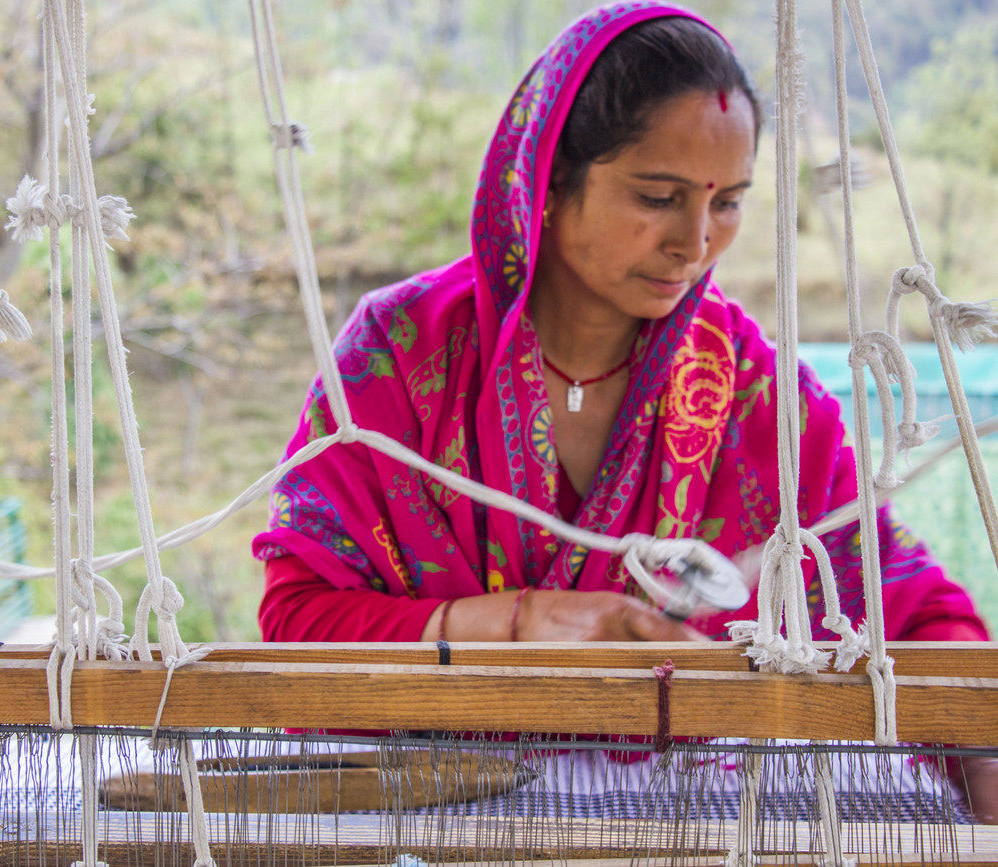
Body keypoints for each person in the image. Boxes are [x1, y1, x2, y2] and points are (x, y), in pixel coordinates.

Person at [252, 1, 994, 818]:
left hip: (686, 829)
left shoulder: (751, 390)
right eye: (658, 196)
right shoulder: (398, 356)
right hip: (421, 818)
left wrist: (979, 743)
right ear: (551, 177)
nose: (696, 241)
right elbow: (298, 626)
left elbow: (903, 602)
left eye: (728, 202)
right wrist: (523, 621)